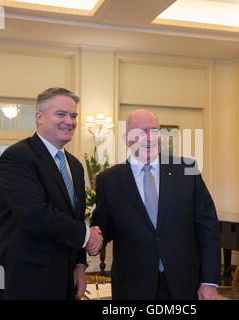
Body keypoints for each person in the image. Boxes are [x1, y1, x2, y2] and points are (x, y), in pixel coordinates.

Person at [0, 87, 103, 300]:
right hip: (22, 278)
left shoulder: (75, 165)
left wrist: (80, 265)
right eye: (61, 114)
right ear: (39, 117)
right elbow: (34, 215)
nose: (70, 121)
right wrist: (87, 236)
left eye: (73, 115)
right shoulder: (18, 157)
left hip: (64, 278)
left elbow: (74, 218)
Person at [89, 109, 221, 300]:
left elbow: (208, 228)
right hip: (133, 286)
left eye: (154, 131)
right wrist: (97, 235)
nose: (149, 138)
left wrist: (209, 282)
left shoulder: (187, 171)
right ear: (127, 139)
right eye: (140, 132)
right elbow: (104, 225)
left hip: (184, 284)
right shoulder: (108, 180)